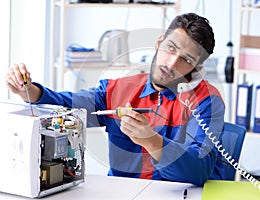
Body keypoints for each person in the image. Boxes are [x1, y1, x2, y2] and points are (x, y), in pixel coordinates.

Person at [6, 13, 226, 186]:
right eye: (170, 48)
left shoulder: (206, 101)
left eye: (186, 60)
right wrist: (28, 91)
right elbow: (67, 105)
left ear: (196, 69)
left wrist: (152, 141)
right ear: (160, 43)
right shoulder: (118, 89)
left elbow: (200, 170)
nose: (171, 64)